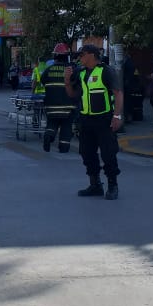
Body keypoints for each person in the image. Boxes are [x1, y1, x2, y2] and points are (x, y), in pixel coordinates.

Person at [64, 44, 123, 199]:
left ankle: (112, 185)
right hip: (86, 120)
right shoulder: (80, 73)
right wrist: (67, 82)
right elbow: (72, 95)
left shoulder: (106, 71)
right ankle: (95, 184)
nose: (79, 58)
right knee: (86, 153)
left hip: (104, 119)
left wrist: (117, 116)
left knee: (108, 153)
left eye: (82, 54)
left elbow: (118, 94)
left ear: (91, 55)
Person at [39, 43, 79, 153]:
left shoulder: (48, 70)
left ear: (55, 56)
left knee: (52, 123)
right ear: (67, 56)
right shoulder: (72, 70)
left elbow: (43, 81)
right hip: (68, 106)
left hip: (51, 105)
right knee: (66, 127)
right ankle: (64, 147)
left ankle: (49, 135)